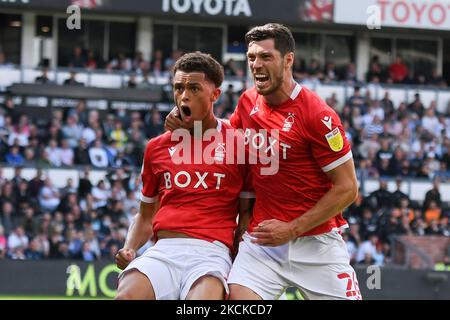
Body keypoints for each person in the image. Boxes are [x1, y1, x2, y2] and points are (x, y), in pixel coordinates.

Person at [165, 23, 360, 300]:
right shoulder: (248, 102)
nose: (256, 65)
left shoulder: (318, 115)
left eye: (266, 57)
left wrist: (292, 228)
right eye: (251, 57)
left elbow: (348, 188)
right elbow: (223, 140)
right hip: (262, 241)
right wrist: (188, 121)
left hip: (316, 243)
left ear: (288, 59)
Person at [115, 52, 253, 300]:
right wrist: (130, 248)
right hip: (164, 250)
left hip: (212, 252)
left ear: (215, 94)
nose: (184, 95)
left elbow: (246, 214)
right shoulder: (156, 147)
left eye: (194, 88)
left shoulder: (240, 143)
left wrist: (240, 261)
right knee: (126, 296)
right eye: (178, 88)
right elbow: (146, 216)